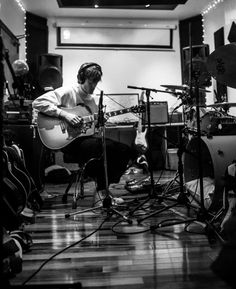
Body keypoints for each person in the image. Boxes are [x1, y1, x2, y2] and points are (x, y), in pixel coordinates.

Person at [32, 62, 137, 206]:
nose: (93, 86)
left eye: (96, 82)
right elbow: (38, 102)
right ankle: (101, 194)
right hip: (69, 142)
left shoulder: (93, 101)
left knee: (125, 151)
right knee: (100, 150)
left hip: (86, 139)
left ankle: (103, 191)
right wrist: (64, 115)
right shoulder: (68, 91)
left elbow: (92, 129)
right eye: (91, 81)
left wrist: (100, 122)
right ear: (82, 78)